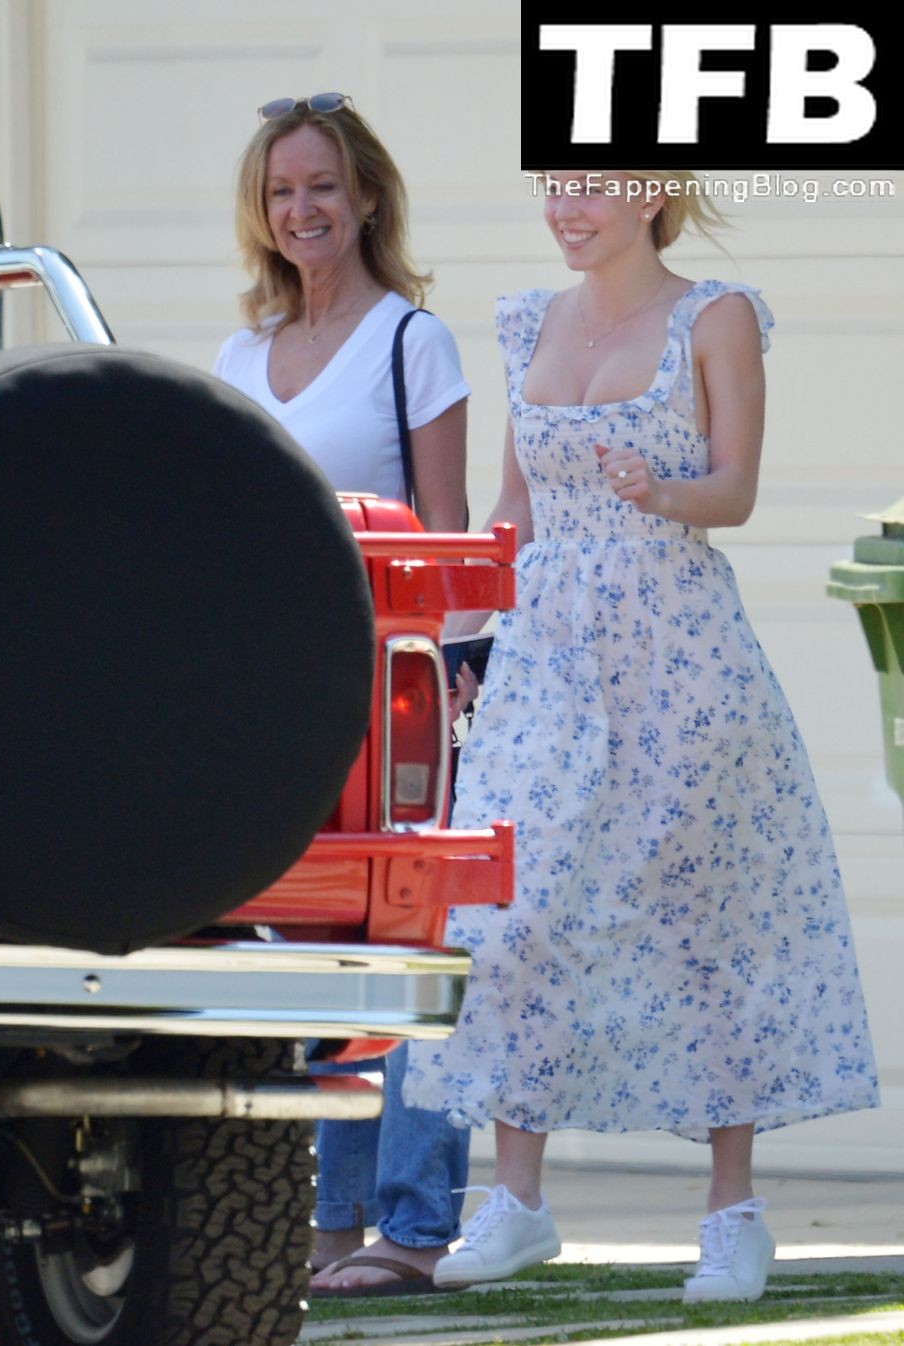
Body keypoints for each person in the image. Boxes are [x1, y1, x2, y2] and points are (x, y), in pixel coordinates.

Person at [403, 169, 880, 1304]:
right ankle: (518, 1200)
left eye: (594, 187)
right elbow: (514, 508)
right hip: (546, 652)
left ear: (655, 191)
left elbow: (736, 490)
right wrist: (460, 640)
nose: (567, 209)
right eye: (555, 186)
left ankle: (733, 1213)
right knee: (513, 908)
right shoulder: (527, 322)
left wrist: (659, 490)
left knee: (706, 916)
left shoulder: (717, 316)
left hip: (679, 648)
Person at [213, 92, 474, 1298]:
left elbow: (447, 534)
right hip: (273, 687)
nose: (302, 208)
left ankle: (413, 1226)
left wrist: (456, 679)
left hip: (392, 687)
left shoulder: (413, 342)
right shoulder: (239, 358)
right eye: (282, 191)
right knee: (307, 945)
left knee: (405, 942)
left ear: (366, 197)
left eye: (322, 185)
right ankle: (331, 1216)